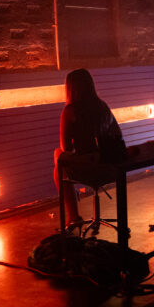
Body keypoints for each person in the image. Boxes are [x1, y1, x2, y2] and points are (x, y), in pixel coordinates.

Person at [53, 68, 127, 227]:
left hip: (87, 168)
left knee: (58, 158)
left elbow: (66, 147)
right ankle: (74, 216)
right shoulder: (103, 107)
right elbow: (118, 135)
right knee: (59, 158)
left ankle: (74, 216)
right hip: (109, 167)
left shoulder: (70, 111)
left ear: (71, 88)